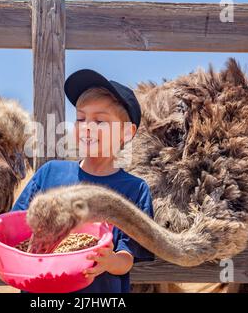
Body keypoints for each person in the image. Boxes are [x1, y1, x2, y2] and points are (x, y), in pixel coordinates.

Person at [11, 69, 154, 293]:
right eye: (80, 118)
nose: (87, 126)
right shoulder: (50, 173)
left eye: (99, 120)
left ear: (126, 133)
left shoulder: (135, 189)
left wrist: (109, 261)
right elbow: (16, 227)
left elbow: (127, 258)